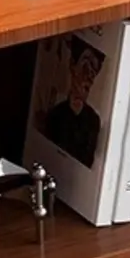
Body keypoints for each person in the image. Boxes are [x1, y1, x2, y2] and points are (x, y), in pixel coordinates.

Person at [41, 37, 105, 168]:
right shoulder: (54, 114)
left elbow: (87, 161)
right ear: (73, 65)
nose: (88, 76)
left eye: (94, 70)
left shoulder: (93, 120)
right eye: (85, 66)